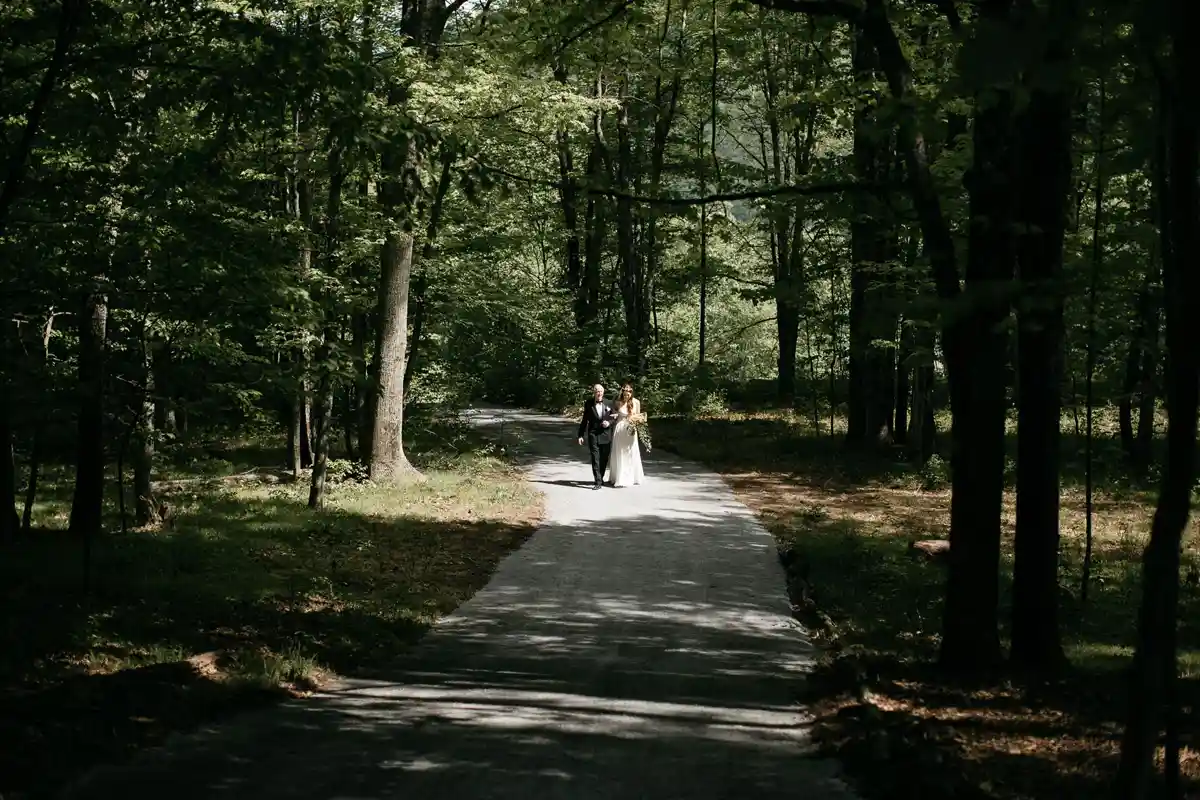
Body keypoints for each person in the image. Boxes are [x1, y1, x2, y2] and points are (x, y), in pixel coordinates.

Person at [576, 383, 615, 490]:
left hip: (606, 434)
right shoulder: (588, 403)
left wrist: (609, 423)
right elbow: (584, 420)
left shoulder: (609, 402)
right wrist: (580, 435)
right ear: (594, 392)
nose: (599, 393)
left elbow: (613, 417)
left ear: (603, 392)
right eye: (597, 391)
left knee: (604, 458)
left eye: (600, 391)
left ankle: (601, 477)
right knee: (595, 458)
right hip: (593, 434)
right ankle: (597, 481)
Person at [607, 383, 645, 488]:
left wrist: (635, 422)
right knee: (619, 452)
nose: (626, 396)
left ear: (631, 393)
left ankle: (632, 477)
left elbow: (638, 416)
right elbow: (614, 413)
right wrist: (614, 415)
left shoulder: (636, 402)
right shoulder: (618, 402)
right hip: (619, 429)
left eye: (628, 394)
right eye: (624, 394)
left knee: (630, 451)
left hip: (630, 430)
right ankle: (618, 477)